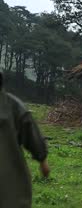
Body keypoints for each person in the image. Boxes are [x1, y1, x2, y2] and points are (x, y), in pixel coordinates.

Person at [0, 70, 49, 208]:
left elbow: (28, 128)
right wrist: (42, 159)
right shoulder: (13, 105)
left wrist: (42, 158)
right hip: (11, 186)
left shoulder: (13, 106)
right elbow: (31, 131)